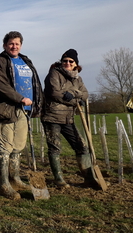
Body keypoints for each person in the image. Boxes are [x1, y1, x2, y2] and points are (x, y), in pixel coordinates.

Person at [0, 31, 43, 200]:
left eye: (17, 43)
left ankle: (15, 178)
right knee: (5, 147)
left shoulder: (26, 61)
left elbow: (35, 83)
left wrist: (37, 101)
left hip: (25, 110)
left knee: (18, 146)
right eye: (11, 43)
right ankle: (3, 184)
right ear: (5, 45)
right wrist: (20, 98)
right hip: (6, 109)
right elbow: (0, 85)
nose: (14, 46)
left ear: (21, 45)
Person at [42, 49, 98, 188]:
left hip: (68, 118)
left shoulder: (78, 78)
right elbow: (54, 93)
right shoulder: (54, 73)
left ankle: (89, 178)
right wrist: (75, 100)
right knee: (55, 148)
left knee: (82, 146)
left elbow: (85, 95)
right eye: (65, 60)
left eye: (70, 61)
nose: (67, 63)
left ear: (75, 64)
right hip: (52, 116)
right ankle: (59, 179)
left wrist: (73, 93)